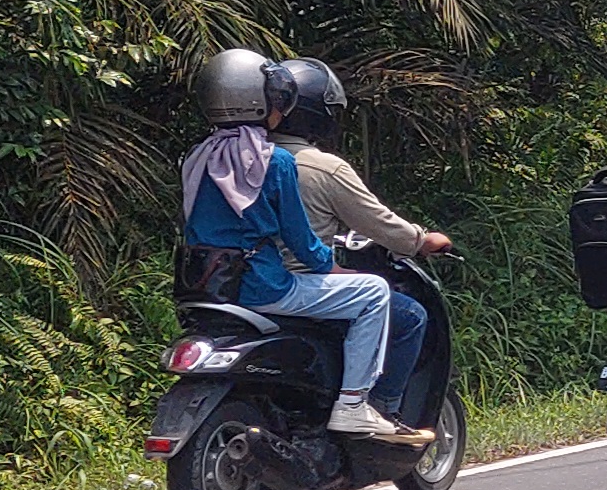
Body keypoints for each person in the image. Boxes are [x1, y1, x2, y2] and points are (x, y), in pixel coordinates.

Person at [177, 47, 430, 446]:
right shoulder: (274, 162)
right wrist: (331, 267)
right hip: (264, 285)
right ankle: (353, 404)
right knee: (375, 292)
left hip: (208, 284)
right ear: (263, 102)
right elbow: (300, 240)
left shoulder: (198, 157)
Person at [266, 57, 450, 425]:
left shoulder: (234, 158)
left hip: (231, 284)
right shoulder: (318, 167)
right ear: (320, 114)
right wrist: (421, 240)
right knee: (410, 316)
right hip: (293, 286)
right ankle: (376, 409)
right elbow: (378, 222)